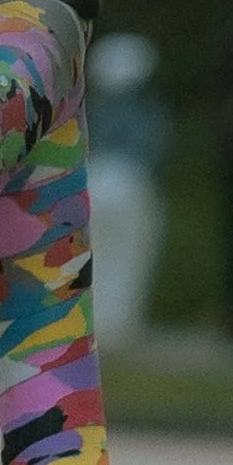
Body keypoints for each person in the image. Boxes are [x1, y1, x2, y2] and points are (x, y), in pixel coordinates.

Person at [84, 32, 170, 348]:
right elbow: (156, 150)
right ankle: (117, 327)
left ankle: (92, 324)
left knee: (92, 255)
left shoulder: (89, 107)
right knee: (128, 256)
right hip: (131, 183)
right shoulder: (148, 109)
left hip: (92, 180)